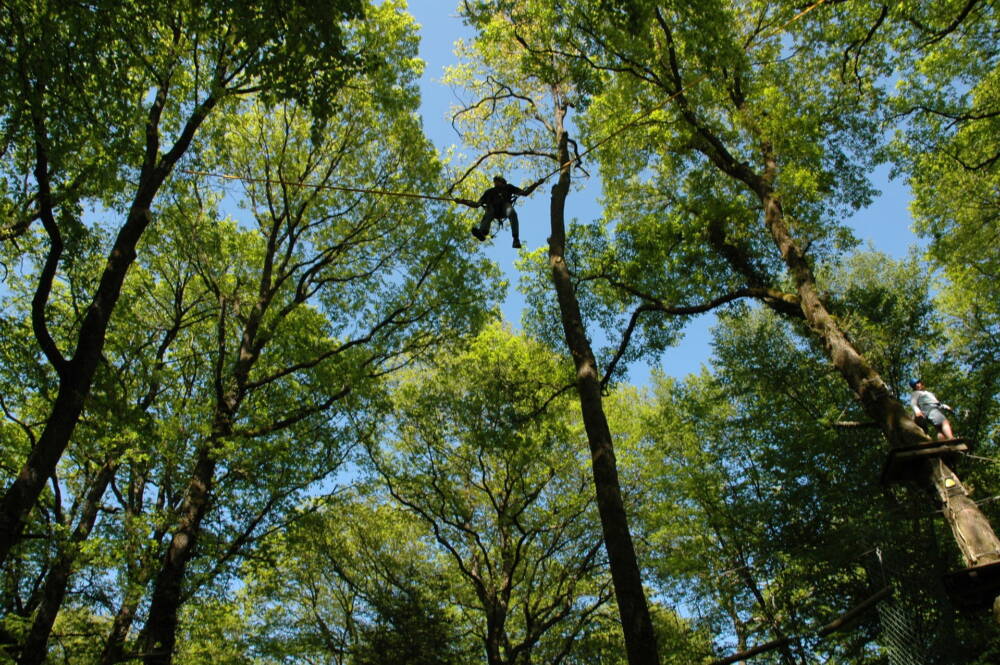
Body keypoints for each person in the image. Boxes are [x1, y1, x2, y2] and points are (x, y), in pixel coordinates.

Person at [461, 175, 539, 248]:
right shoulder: (489, 192)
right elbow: (477, 204)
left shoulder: (508, 187)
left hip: (504, 208)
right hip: (493, 210)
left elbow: (525, 193)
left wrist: (535, 185)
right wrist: (463, 201)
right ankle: (482, 232)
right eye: (495, 182)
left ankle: (516, 239)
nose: (496, 183)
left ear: (503, 182)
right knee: (489, 209)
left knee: (511, 212)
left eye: (498, 181)